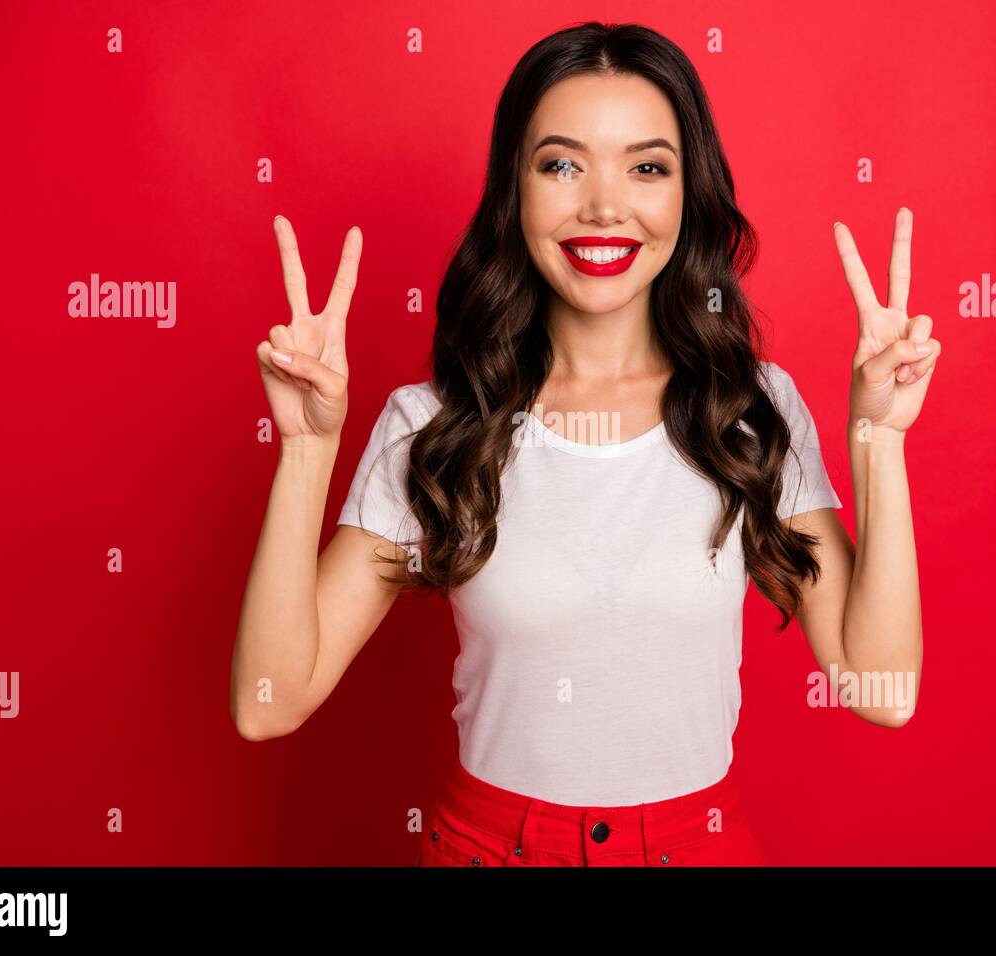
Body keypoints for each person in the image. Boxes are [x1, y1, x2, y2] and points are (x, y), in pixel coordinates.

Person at [231, 21, 940, 867]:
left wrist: (880, 437)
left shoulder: (747, 408)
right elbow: (267, 703)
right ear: (515, 193)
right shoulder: (438, 421)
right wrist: (307, 451)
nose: (605, 206)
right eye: (562, 164)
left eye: (647, 167)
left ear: (688, 193)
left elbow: (880, 686)